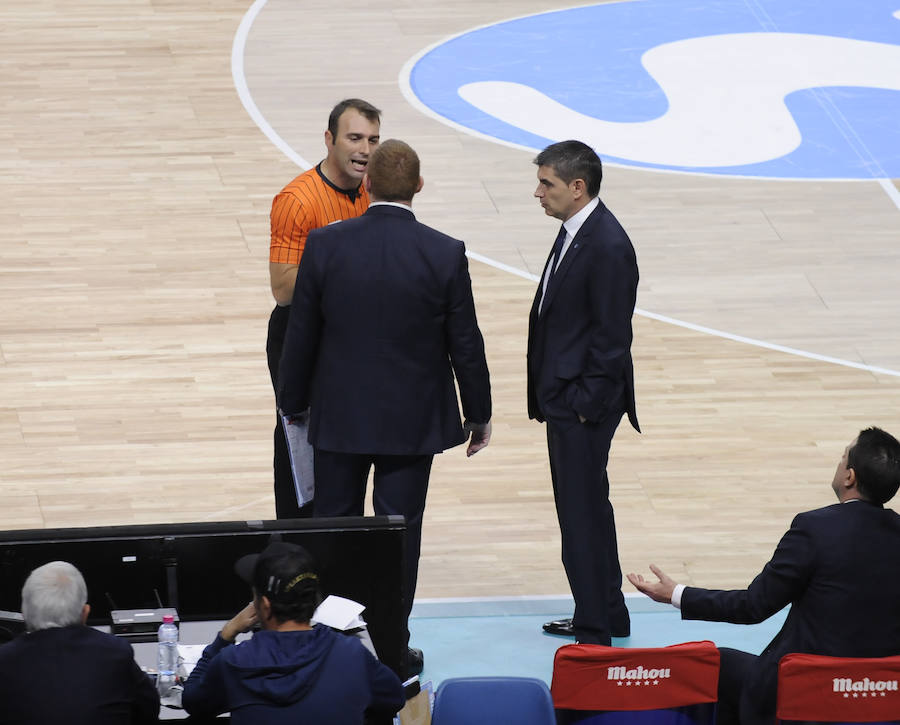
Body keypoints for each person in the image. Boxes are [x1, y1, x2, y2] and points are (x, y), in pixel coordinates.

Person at [277, 139, 492, 676]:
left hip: (339, 419)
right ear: (419, 187)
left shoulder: (326, 244)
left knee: (335, 531)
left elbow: (302, 332)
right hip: (412, 423)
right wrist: (478, 412)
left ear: (366, 184)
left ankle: (329, 643)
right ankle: (391, 648)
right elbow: (465, 341)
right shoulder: (444, 251)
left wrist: (293, 403)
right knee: (399, 535)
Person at [628, 427, 900, 725]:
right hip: (879, 697)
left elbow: (753, 606)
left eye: (842, 456)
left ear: (850, 477)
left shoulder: (814, 528)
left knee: (717, 665)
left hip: (806, 695)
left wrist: (677, 594)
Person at [527, 140, 639, 645]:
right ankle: (606, 612)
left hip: (582, 408)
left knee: (580, 515)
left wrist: (584, 409)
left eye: (546, 183)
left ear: (578, 187)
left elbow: (613, 339)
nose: (538, 193)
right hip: (569, 401)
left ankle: (594, 629)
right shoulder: (578, 230)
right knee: (591, 508)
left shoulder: (608, 245)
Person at [267, 98, 382, 519]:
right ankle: (298, 542)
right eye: (354, 138)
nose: (365, 150)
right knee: (301, 450)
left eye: (373, 140)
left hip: (348, 338)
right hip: (301, 338)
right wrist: (343, 262)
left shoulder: (374, 192)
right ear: (330, 139)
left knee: (344, 451)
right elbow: (282, 288)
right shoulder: (298, 200)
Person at [182, 541, 404, 724]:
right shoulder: (352, 654)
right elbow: (394, 698)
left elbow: (192, 701)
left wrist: (226, 634)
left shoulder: (234, 662)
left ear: (265, 606)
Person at [0, 561, 159, 725]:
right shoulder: (115, 652)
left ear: (24, 613)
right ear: (85, 613)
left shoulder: (4, 660)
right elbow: (149, 711)